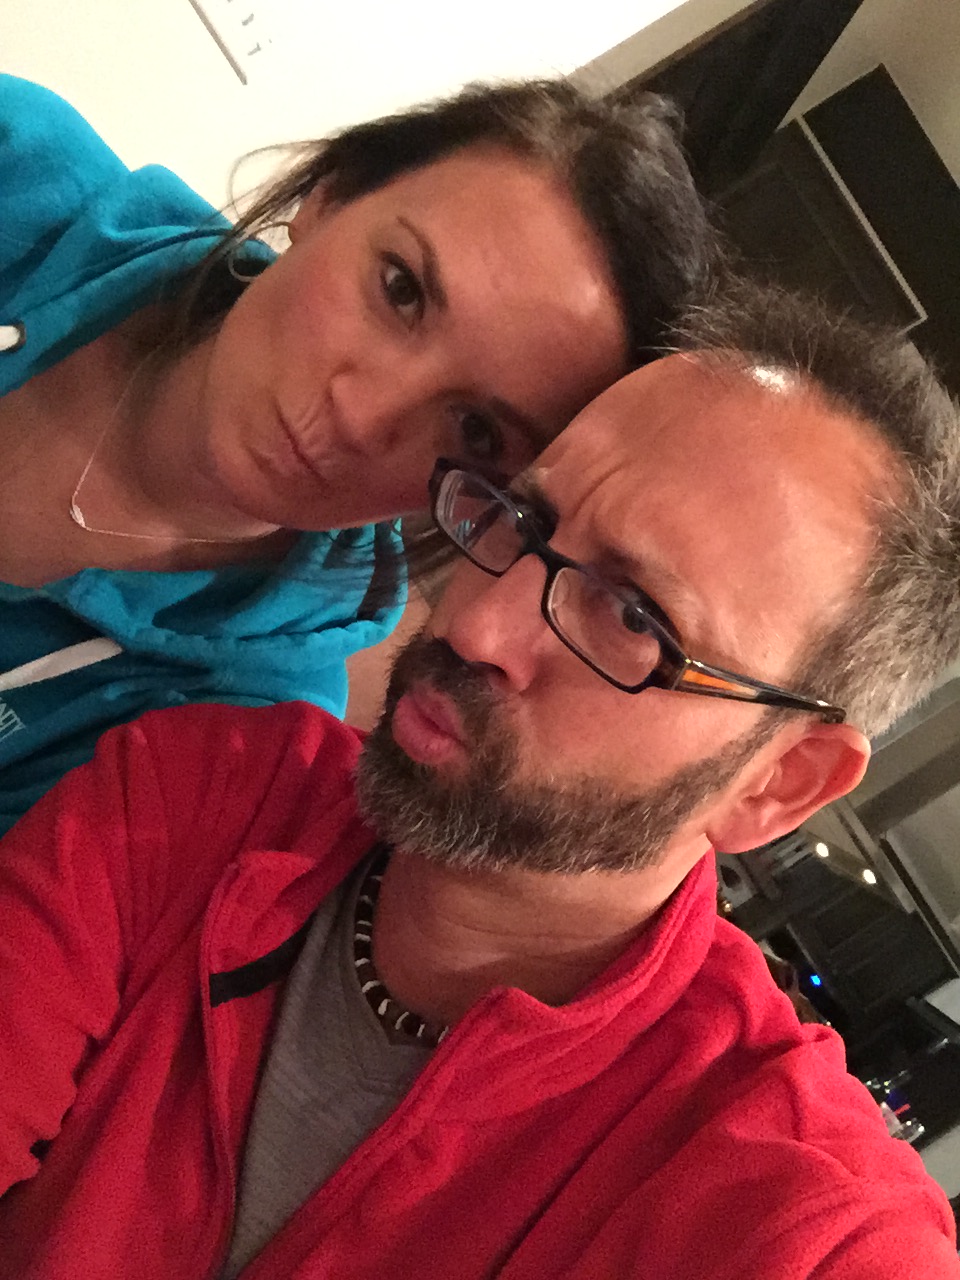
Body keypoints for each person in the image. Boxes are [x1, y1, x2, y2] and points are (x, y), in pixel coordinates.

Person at [3, 285, 960, 1279]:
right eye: (524, 518)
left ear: (779, 782)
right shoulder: (204, 794)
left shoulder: (795, 1216)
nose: (472, 626)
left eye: (633, 616)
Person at [0, 73, 716, 834]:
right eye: (401, 290)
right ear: (330, 195)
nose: (364, 413)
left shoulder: (225, 742)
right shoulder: (20, 166)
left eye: (476, 429)